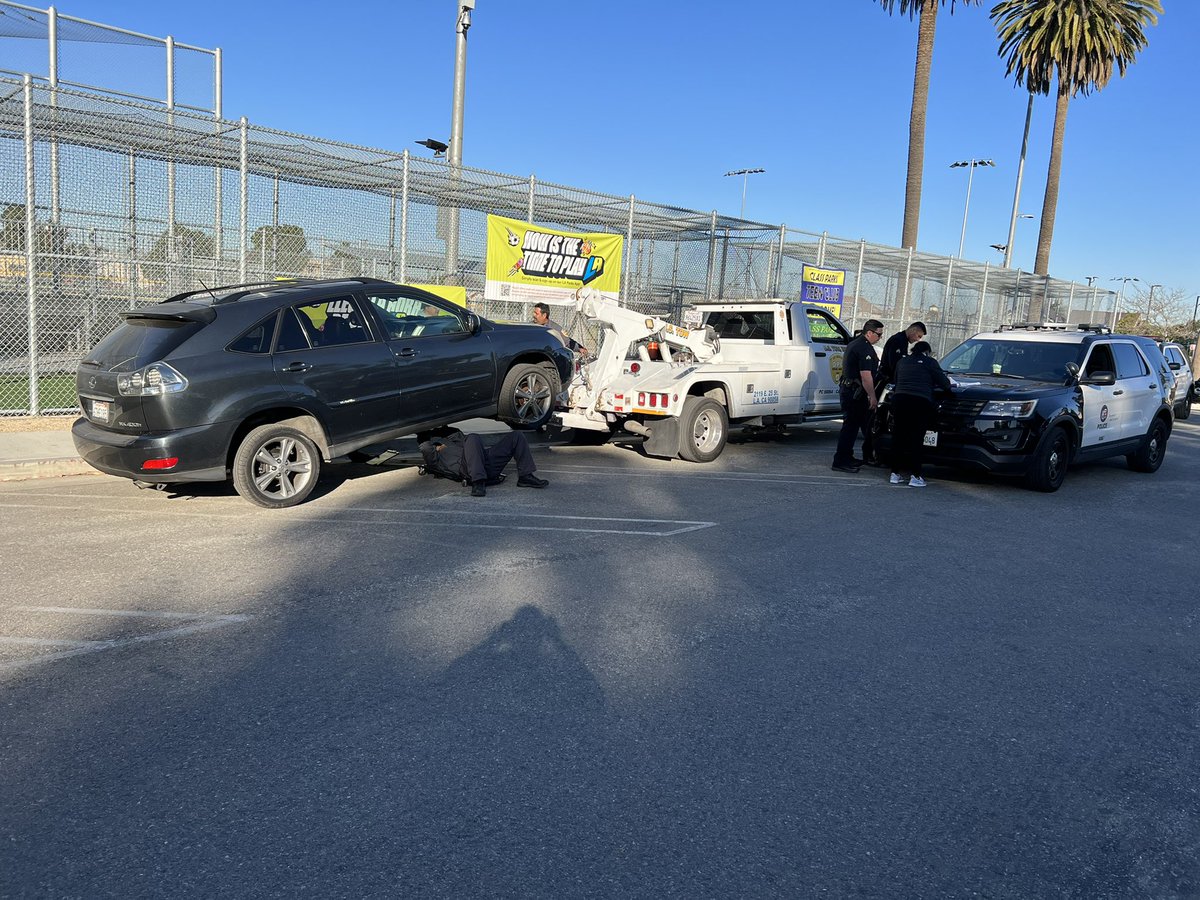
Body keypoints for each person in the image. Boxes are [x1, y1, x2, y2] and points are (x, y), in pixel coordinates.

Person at [888, 340, 953, 488]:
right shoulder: (930, 362)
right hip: (919, 401)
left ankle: (894, 473)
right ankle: (915, 476)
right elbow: (945, 384)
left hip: (899, 400)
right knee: (917, 439)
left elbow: (896, 380)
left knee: (898, 437)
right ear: (927, 352)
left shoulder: (902, 362)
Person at [418, 430, 549, 497]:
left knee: (517, 436)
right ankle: (478, 482)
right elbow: (425, 447)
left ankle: (526, 476)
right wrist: (434, 445)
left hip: (485, 460)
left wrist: (443, 431)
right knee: (473, 437)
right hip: (467, 469)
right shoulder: (436, 455)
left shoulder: (456, 439)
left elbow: (455, 433)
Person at [832, 319, 883, 473]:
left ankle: (847, 456)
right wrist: (872, 397)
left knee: (852, 427)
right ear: (870, 332)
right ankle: (840, 461)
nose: (880, 337)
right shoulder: (864, 348)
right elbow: (866, 376)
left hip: (850, 390)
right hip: (854, 393)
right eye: (878, 334)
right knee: (850, 427)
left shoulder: (857, 343)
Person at [876, 321, 927, 393]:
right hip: (887, 381)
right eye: (918, 336)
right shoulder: (898, 340)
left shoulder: (903, 340)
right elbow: (895, 364)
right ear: (913, 330)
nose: (918, 340)